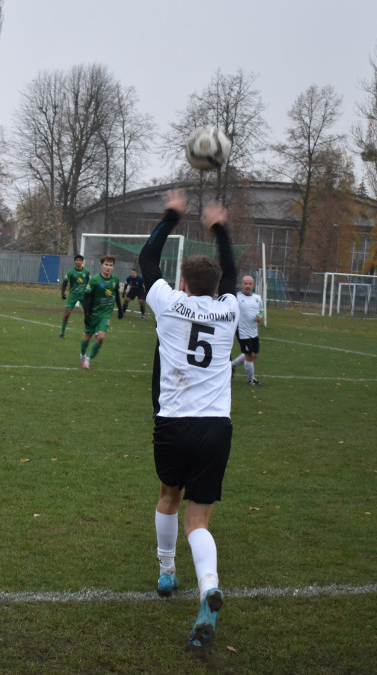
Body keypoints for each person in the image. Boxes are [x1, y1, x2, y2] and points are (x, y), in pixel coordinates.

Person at [139, 188, 239, 651]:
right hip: (216, 426)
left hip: (174, 422)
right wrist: (219, 229)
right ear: (217, 289)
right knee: (199, 521)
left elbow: (146, 259)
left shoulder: (167, 303)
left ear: (182, 284)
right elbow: (233, 274)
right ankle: (209, 588)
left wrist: (171, 216)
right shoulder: (230, 310)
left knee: (168, 498)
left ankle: (165, 573)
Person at [79, 255, 123, 369]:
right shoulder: (94, 280)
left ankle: (88, 359)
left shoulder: (115, 280)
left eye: (111, 265)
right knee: (87, 337)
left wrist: (120, 309)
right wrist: (87, 314)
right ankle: (82, 354)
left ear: (113, 267)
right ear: (101, 266)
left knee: (101, 337)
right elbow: (86, 297)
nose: (108, 267)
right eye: (106, 265)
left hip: (105, 314)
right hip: (93, 313)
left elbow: (116, 295)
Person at [231, 275, 263, 386]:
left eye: (250, 284)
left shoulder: (257, 298)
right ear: (241, 285)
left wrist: (261, 317)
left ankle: (232, 365)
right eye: (245, 283)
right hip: (242, 331)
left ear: (253, 285)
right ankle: (251, 380)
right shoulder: (236, 298)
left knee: (254, 356)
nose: (248, 286)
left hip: (253, 331)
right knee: (249, 355)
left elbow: (261, 311)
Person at [60, 254, 91, 339]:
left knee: (87, 314)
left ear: (82, 261)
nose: (78, 261)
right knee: (67, 313)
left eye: (80, 260)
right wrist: (63, 293)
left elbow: (90, 284)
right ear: (74, 262)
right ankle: (62, 333)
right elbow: (64, 283)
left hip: (84, 295)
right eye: (76, 260)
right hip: (73, 295)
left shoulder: (87, 272)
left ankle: (88, 333)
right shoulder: (70, 272)